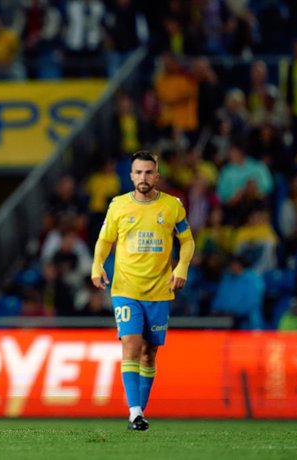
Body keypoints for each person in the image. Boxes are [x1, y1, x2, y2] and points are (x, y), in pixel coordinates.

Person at [91, 150, 195, 431]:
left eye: (149, 172)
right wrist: (97, 265)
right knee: (131, 345)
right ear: (131, 176)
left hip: (160, 291)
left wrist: (182, 267)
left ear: (157, 175)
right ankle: (134, 412)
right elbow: (104, 240)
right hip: (125, 288)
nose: (143, 177)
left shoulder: (172, 206)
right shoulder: (118, 206)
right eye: (138, 172)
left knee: (150, 353)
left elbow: (187, 241)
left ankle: (139, 413)